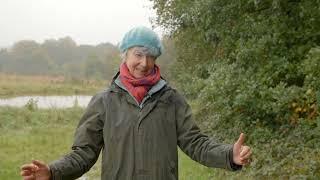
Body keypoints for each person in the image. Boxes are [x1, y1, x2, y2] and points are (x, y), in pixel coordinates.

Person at [20, 26, 252, 180]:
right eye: (138, 55)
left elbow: (196, 143)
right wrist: (52, 172)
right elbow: (83, 154)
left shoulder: (172, 99)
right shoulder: (104, 102)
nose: (144, 63)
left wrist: (228, 155)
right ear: (125, 55)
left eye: (151, 56)